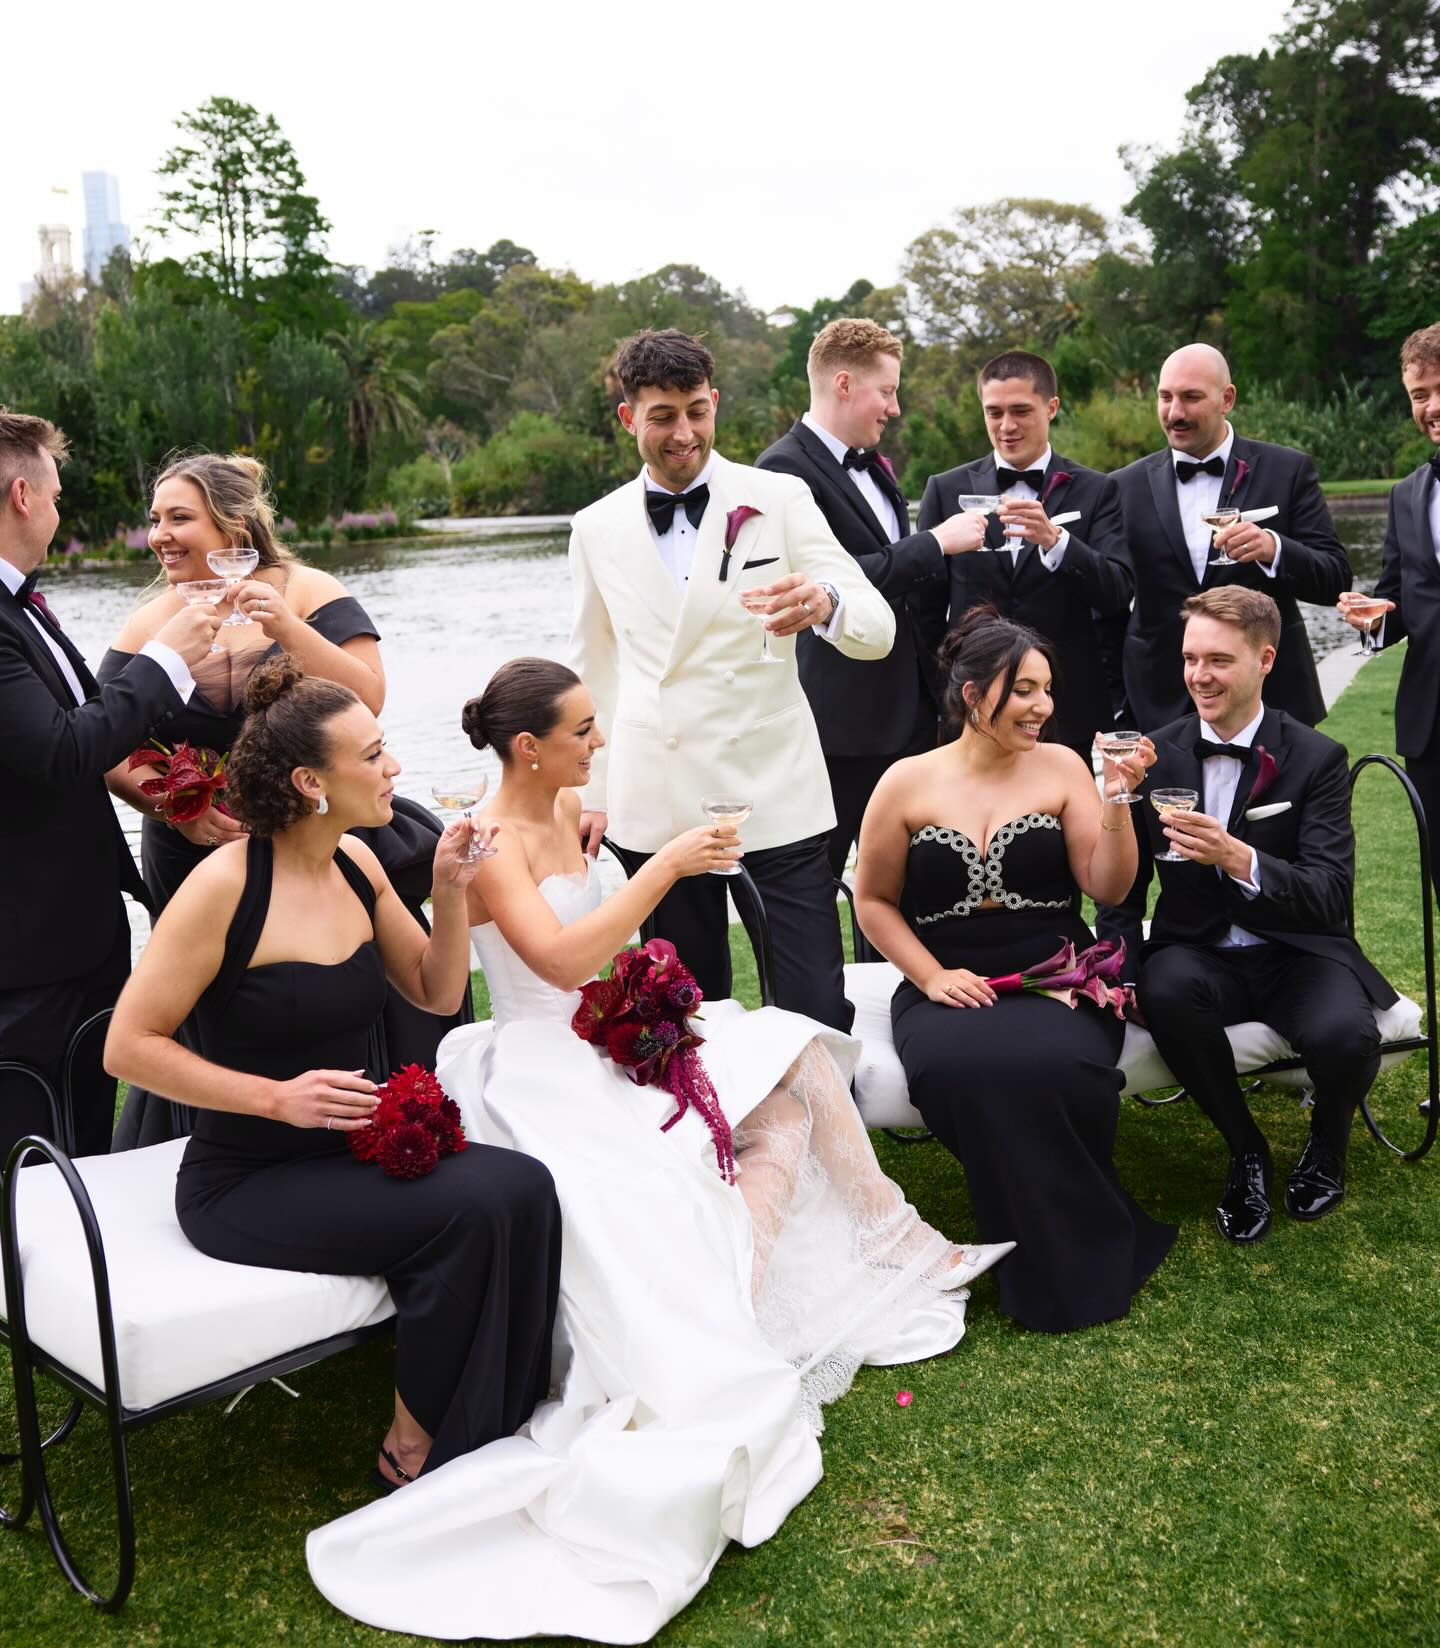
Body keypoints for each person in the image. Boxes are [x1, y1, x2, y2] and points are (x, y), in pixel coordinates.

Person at [305, 657, 1011, 1643]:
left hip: (611, 1035)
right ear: (528, 747)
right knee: (750, 1117)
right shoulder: (493, 838)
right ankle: (740, 1298)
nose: (598, 744)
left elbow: (600, 939)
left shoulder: (570, 812)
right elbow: (554, 962)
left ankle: (874, 1242)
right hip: (544, 1062)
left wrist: (630, 922)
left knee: (796, 1065)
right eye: (584, 730)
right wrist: (665, 870)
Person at [103, 656, 561, 1493]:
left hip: (353, 1148)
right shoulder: (224, 887)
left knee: (525, 1187)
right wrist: (275, 1098)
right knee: (473, 1207)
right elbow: (127, 1047)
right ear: (312, 781)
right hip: (246, 1177)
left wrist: (452, 894)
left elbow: (436, 988)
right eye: (376, 755)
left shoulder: (359, 865)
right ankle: (413, 1444)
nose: (396, 769)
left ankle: (495, 1416)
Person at [100, 451, 464, 1146]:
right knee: (214, 1008)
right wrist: (176, 807)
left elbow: (370, 699)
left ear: (234, 525)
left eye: (180, 518)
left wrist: (287, 631)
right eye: (154, 520)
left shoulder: (307, 591)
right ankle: (226, 1149)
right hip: (198, 856)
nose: (159, 536)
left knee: (339, 994)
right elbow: (110, 747)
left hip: (325, 843)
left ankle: (374, 1128)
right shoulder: (149, 622)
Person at [855, 608, 1176, 1334]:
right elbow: (874, 903)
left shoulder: (1063, 768)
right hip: (946, 981)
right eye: (1025, 691)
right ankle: (1053, 1243)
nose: (1044, 707)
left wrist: (1120, 800)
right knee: (959, 1072)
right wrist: (931, 977)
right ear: (972, 694)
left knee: (1052, 1066)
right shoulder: (904, 783)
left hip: (1059, 973)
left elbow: (1110, 889)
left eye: (1047, 690)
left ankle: (1063, 1254)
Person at [569, 328, 897, 1033]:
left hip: (774, 791)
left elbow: (878, 627)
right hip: (658, 801)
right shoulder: (595, 528)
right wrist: (588, 793)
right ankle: (708, 1143)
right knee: (686, 1014)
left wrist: (827, 604)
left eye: (696, 410)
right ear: (629, 418)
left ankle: (821, 1135)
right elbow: (592, 667)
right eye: (663, 416)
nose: (684, 433)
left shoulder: (779, 498)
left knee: (812, 1007)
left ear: (714, 403)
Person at [1125, 587, 1394, 1242]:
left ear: (1266, 659)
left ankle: (1327, 1146)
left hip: (1298, 952)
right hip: (1199, 951)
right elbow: (1124, 888)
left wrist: (1238, 856)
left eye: (1218, 659)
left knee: (1346, 1037)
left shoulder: (1317, 758)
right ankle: (1245, 1150)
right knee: (1165, 989)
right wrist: (1122, 967)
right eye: (1191, 659)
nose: (1199, 675)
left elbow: (1329, 895)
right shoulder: (1154, 754)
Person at [0, 410, 220, 1161]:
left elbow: (87, 731)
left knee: (83, 1143)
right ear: (24, 496)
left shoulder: (23, 604)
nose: (60, 512)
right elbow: (61, 750)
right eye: (57, 495)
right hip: (28, 956)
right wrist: (164, 662)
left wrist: (176, 799)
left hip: (74, 934)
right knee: (37, 1159)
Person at [755, 317, 959, 876]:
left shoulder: (872, 463)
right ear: (844, 384)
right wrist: (934, 544)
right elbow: (821, 586)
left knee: (903, 877)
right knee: (819, 877)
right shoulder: (781, 470)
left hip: (910, 713)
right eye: (887, 391)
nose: (894, 408)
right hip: (841, 725)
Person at [1110, 343, 1350, 730]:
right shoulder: (1121, 487)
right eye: (1165, 397)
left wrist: (1274, 549)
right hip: (1159, 706)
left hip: (1272, 701)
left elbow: (1335, 579)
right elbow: (1108, 604)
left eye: (1191, 398)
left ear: (1227, 399)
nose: (1175, 413)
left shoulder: (1287, 470)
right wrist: (1120, 704)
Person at [915, 349, 1134, 760]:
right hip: (973, 711)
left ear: (1051, 407)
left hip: (1065, 712)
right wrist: (947, 701)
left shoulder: (1099, 490)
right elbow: (925, 615)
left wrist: (1057, 541)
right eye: (993, 412)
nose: (1006, 426)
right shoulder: (944, 490)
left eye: (1020, 411)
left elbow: (1118, 592)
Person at [1338, 324, 1440, 890]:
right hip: (1432, 725)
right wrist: (1376, 618)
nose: (1432, 406)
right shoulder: (1407, 494)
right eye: (1419, 394)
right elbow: (1400, 597)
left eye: (1439, 388)